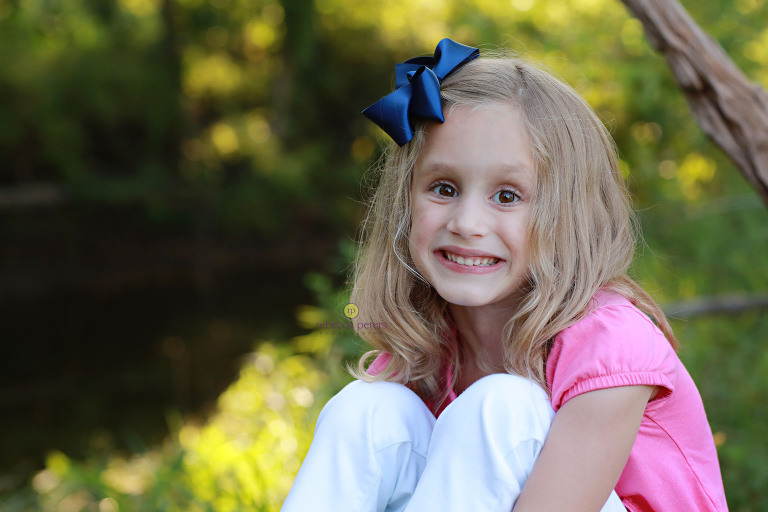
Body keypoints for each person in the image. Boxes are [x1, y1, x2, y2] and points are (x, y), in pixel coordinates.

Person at [281, 39, 728, 512]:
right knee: (368, 410)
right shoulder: (430, 349)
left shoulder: (610, 343)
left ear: (568, 215)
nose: (467, 223)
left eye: (508, 196)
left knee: (502, 408)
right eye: (444, 188)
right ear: (404, 202)